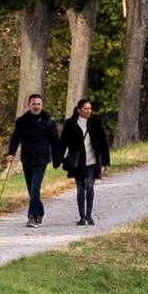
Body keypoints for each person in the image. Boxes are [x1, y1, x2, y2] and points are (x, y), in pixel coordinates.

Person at [6, 93, 59, 226]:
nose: (36, 106)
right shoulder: (22, 121)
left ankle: (32, 217)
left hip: (41, 160)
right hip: (27, 159)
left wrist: (57, 158)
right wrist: (11, 152)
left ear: (42, 105)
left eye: (39, 104)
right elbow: (15, 137)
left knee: (35, 189)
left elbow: (55, 141)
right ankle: (39, 211)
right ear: (29, 105)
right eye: (34, 104)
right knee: (31, 190)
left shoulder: (49, 121)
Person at [58, 97, 112, 226]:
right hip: (78, 162)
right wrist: (59, 158)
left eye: (90, 108)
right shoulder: (70, 123)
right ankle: (82, 217)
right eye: (85, 108)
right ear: (78, 110)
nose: (88, 111)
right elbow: (63, 142)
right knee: (81, 189)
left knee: (90, 186)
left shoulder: (95, 123)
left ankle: (89, 215)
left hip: (92, 161)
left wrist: (105, 161)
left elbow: (103, 142)